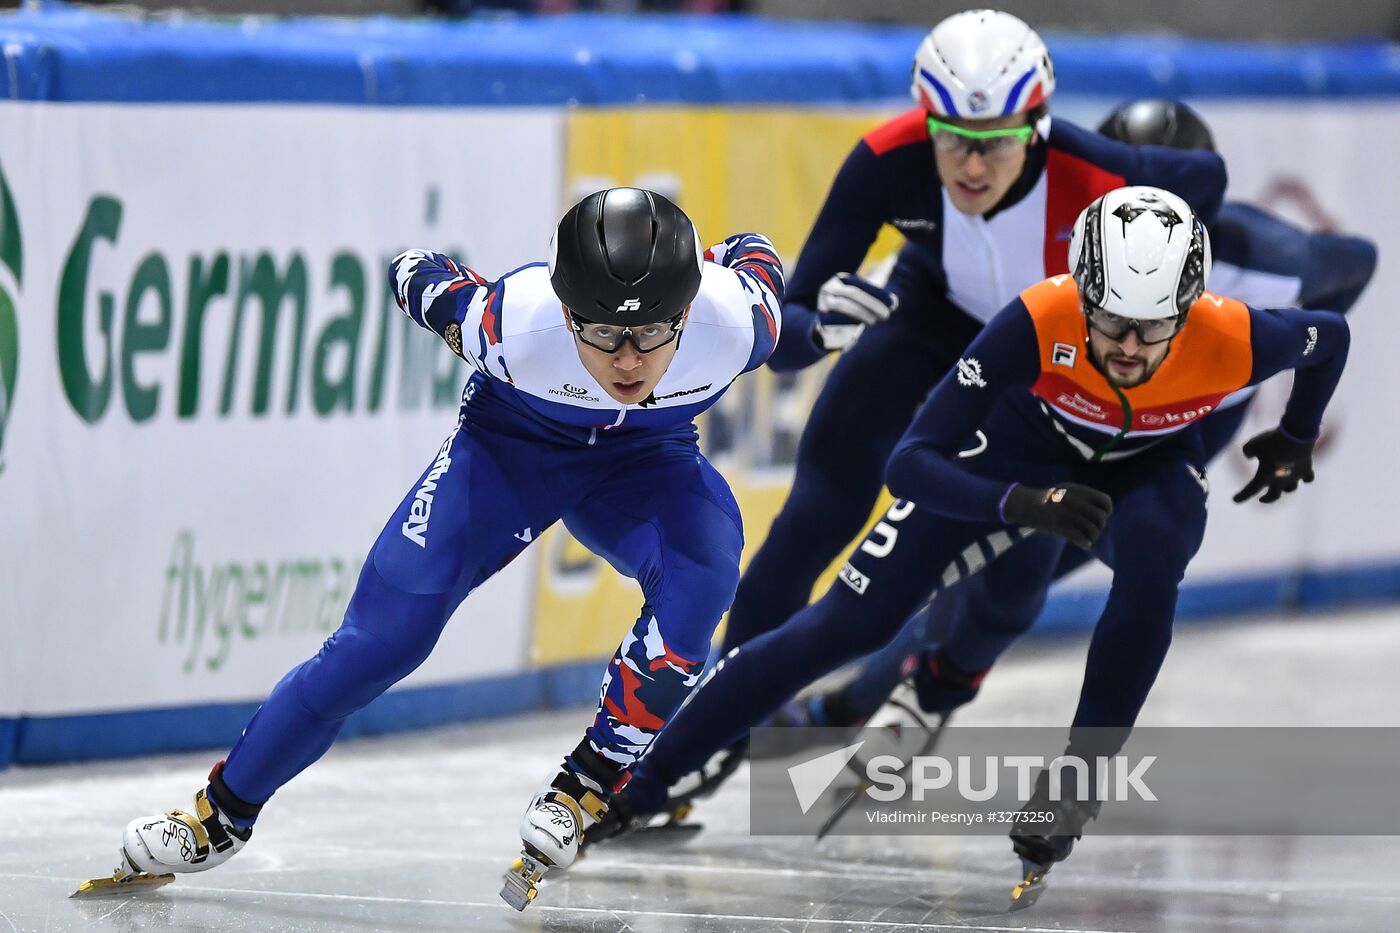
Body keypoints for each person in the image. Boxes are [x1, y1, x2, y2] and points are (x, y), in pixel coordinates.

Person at [598, 186, 1349, 899]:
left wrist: (1296, 435)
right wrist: (1018, 501)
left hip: (1147, 468)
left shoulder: (1237, 336)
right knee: (846, 621)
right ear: (1080, 290)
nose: (1125, 346)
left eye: (1152, 326)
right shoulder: (1038, 317)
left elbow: (1332, 336)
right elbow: (909, 461)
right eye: (1109, 319)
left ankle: (1075, 785)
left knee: (1155, 565)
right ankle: (646, 779)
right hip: (1018, 453)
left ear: (1188, 311)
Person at [73, 188, 788, 911]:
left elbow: (757, 255)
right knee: (383, 640)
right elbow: (415, 272)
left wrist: (726, 259)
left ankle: (588, 783)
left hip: (647, 464)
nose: (629, 361)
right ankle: (220, 813)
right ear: (566, 312)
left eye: (653, 334)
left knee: (704, 579)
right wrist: (418, 273)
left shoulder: (738, 322)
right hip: (513, 451)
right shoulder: (509, 324)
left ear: (690, 314)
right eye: (601, 333)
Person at [776, 97, 1378, 735]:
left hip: (1174, 435)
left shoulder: (1267, 257)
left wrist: (1247, 401)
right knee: (994, 558)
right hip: (1078, 414)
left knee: (1011, 565)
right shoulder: (1072, 253)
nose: (1137, 253)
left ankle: (885, 700)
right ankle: (876, 701)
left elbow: (1349, 277)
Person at [722, 9, 1226, 727]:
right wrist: (817, 324)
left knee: (1015, 572)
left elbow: (1207, 178)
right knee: (819, 511)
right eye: (953, 140)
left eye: (996, 143)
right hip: (926, 315)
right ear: (926, 123)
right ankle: (719, 708)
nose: (972, 166)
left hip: (1029, 356)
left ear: (1036, 128)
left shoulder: (1097, 171)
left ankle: (930, 688)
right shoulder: (885, 160)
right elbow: (785, 334)